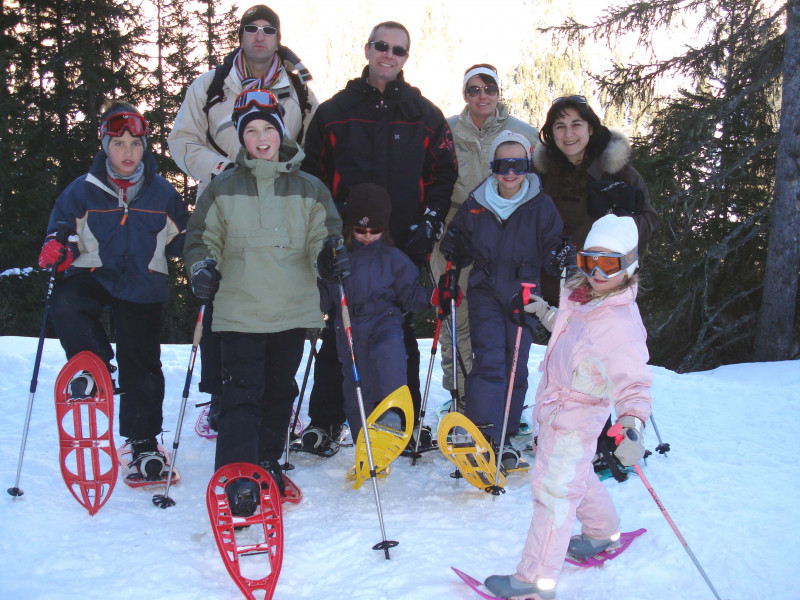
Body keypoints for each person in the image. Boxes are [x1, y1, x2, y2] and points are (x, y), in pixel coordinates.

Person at [300, 20, 458, 453]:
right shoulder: (334, 112)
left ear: (407, 57)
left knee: (397, 329)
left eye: (398, 50)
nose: (389, 55)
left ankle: (402, 425)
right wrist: (327, 230)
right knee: (341, 326)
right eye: (381, 46)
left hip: (402, 240)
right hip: (347, 239)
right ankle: (325, 421)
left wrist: (429, 221)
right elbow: (312, 174)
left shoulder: (424, 114)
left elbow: (444, 174)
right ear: (368, 50)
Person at [183, 89, 341, 515]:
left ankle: (268, 461)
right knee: (242, 395)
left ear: (281, 131)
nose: (260, 137)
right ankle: (238, 473)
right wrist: (200, 268)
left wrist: (328, 256)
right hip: (239, 312)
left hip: (291, 312)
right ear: (241, 138)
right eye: (249, 130)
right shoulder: (222, 188)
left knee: (278, 392)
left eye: (267, 127)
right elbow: (201, 240)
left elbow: (323, 236)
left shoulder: (309, 188)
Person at [482, 214, 652, 600]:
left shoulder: (621, 324)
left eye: (608, 264)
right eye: (588, 260)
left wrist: (631, 422)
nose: (596, 271)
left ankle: (534, 581)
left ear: (629, 265)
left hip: (576, 415)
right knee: (571, 474)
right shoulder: (586, 298)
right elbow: (575, 335)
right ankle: (601, 531)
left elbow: (635, 383)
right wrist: (544, 312)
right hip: (558, 409)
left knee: (553, 491)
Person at [168, 4, 319, 431]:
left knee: (276, 294)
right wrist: (218, 170)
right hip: (226, 203)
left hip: (278, 208)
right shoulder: (211, 85)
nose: (259, 36)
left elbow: (313, 145)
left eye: (268, 29)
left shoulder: (300, 91)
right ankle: (223, 395)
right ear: (240, 35)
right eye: (250, 29)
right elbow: (181, 139)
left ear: (277, 37)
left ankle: (276, 396)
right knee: (222, 295)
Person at [38, 102, 189, 481]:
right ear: (104, 144)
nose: (128, 153)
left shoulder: (161, 193)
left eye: (135, 145)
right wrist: (58, 247)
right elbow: (62, 231)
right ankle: (93, 365)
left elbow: (184, 240)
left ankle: (142, 443)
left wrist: (202, 249)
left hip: (142, 281)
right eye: (119, 143)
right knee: (67, 301)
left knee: (143, 365)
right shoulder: (82, 191)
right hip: (95, 273)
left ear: (145, 149)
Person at [439, 131, 569, 468]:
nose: (510, 173)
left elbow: (553, 242)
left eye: (518, 165)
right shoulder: (478, 202)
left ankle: (507, 429)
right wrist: (453, 255)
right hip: (485, 289)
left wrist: (560, 255)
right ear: (492, 166)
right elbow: (459, 238)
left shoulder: (540, 204)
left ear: (527, 165)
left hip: (524, 292)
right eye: (502, 164)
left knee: (516, 359)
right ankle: (484, 431)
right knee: (490, 358)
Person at [432, 63, 538, 419]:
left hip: (504, 234)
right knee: (454, 315)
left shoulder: (522, 133)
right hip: (454, 231)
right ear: (465, 94)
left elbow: (540, 185)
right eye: (474, 89)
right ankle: (460, 392)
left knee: (504, 320)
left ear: (498, 92)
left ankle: (505, 402)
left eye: (489, 88)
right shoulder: (445, 130)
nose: (482, 96)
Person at [318, 183, 437, 446]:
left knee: (390, 358)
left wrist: (432, 298)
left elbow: (410, 294)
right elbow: (324, 299)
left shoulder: (393, 258)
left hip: (385, 321)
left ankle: (392, 413)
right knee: (356, 385)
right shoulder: (340, 258)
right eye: (361, 230)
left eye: (375, 230)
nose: (368, 236)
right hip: (349, 326)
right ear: (350, 227)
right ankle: (365, 442)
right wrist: (324, 275)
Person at [533, 94, 658, 308]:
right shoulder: (542, 173)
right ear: (551, 133)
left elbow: (649, 220)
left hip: (602, 283)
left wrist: (610, 230)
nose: (568, 134)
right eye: (560, 126)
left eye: (576, 124)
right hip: (550, 287)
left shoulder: (617, 172)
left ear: (590, 128)